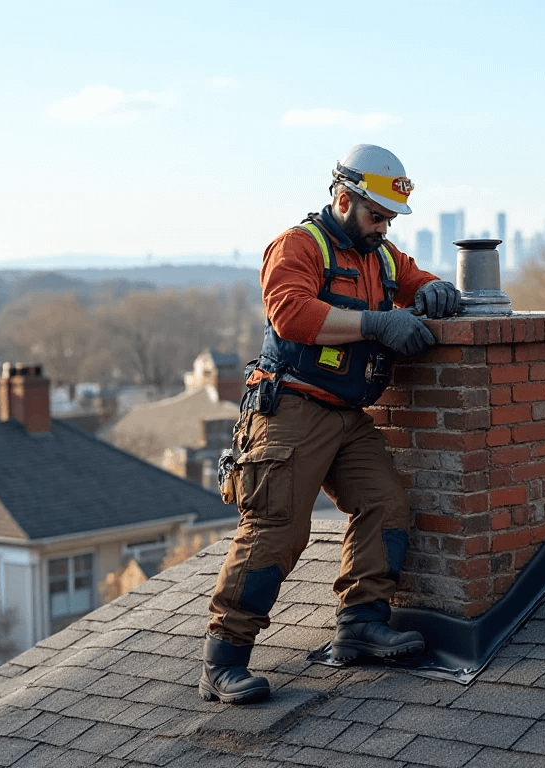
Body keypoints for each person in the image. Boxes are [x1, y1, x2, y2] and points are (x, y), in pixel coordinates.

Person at [200, 144, 461, 704]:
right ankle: (223, 661)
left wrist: (436, 290)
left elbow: (417, 281)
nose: (384, 227)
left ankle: (362, 624)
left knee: (387, 505)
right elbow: (291, 314)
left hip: (346, 415)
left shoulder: (384, 256)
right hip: (291, 408)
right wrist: (376, 323)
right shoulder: (298, 246)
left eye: (390, 219)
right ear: (344, 199)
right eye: (377, 215)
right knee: (277, 528)